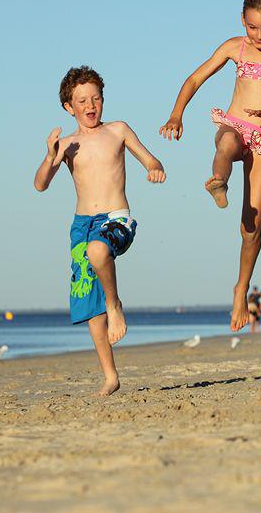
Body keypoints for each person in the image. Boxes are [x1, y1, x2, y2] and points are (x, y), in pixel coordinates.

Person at [159, 0, 261, 330]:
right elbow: (195, 78)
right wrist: (177, 114)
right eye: (252, 26)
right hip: (237, 124)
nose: (258, 34)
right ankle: (217, 182)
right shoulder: (234, 47)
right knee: (225, 141)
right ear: (242, 20)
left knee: (251, 227)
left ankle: (241, 288)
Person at [34, 66, 166, 396]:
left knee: (98, 250)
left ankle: (115, 304)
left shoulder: (118, 130)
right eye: (82, 100)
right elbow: (40, 184)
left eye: (96, 98)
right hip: (82, 224)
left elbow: (151, 160)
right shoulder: (66, 145)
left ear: (103, 100)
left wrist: (155, 169)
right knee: (91, 311)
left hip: (116, 218)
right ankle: (111, 376)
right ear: (69, 107)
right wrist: (50, 155)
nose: (90, 105)